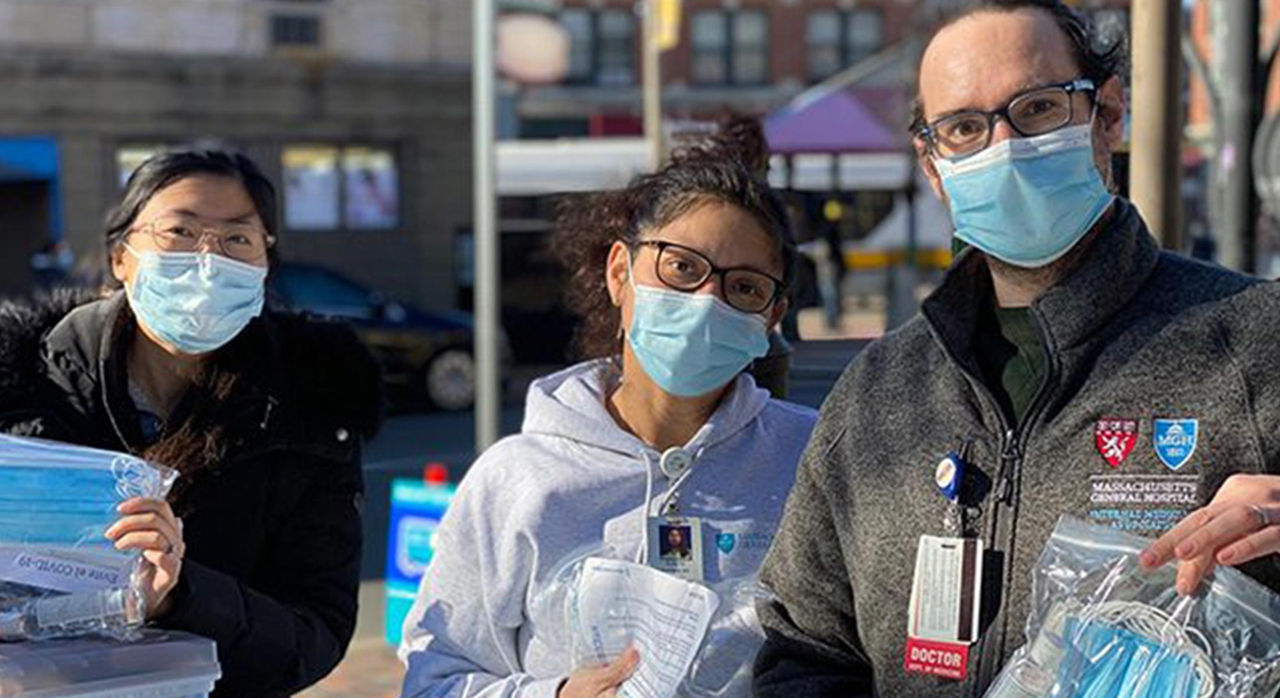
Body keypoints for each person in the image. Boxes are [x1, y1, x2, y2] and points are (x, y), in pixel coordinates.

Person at [753, 2, 1280, 696]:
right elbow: (805, 647)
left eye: (1035, 110)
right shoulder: (876, 393)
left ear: (1108, 114)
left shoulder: (1255, 338)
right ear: (934, 163)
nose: (1002, 145)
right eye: (965, 128)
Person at [399, 125, 817, 698]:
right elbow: (434, 682)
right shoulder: (516, 480)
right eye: (682, 268)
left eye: (743, 288)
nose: (705, 303)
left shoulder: (811, 462)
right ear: (620, 272)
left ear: (772, 319)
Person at [0, 151, 382, 696]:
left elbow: (313, 636)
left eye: (236, 240)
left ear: (265, 264)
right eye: (180, 231)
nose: (208, 261)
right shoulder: (21, 392)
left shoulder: (312, 410)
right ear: (120, 256)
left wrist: (183, 596)